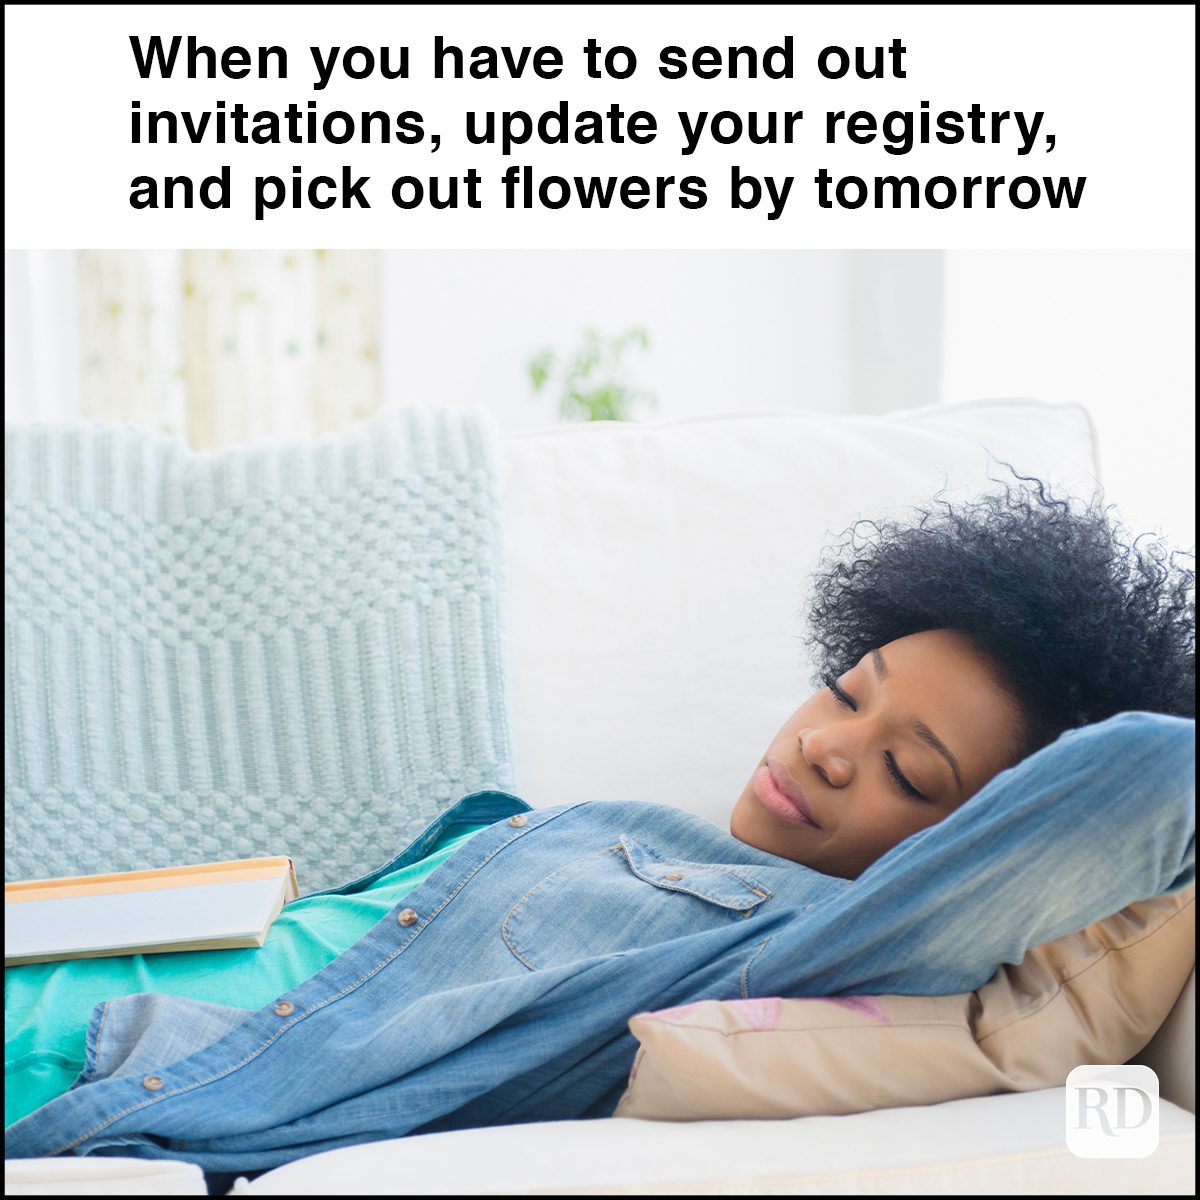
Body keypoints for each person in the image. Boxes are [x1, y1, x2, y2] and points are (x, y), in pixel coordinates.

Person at [6, 475, 1195, 1186]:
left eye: (906, 772)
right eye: (847, 689)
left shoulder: (816, 951)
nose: (830, 744)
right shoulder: (653, 833)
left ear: (968, 854)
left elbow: (1151, 774)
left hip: (113, 1058)